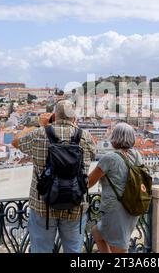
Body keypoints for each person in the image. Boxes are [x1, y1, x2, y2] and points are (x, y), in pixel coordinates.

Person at [13, 100, 96, 253]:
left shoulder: (39, 134)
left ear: (54, 115)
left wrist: (40, 125)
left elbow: (16, 141)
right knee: (73, 250)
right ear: (74, 117)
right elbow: (93, 153)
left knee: (41, 250)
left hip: (43, 204)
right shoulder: (85, 137)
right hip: (75, 203)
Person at [88, 122, 143, 253]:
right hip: (133, 206)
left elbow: (89, 181)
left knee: (118, 249)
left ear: (115, 137)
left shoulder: (109, 158)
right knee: (97, 233)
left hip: (115, 209)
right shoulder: (136, 155)